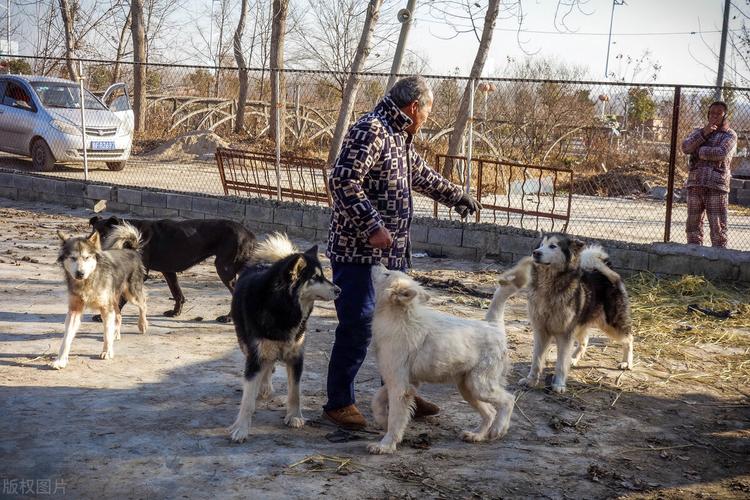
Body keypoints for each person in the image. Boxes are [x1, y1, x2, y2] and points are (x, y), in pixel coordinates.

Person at [323, 75, 482, 429]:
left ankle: (400, 395)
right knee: (358, 327)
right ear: (414, 108)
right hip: (357, 254)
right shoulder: (372, 129)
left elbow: (420, 175)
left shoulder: (398, 135)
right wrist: (372, 227)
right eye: (428, 112)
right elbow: (343, 180)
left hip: (389, 257)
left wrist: (456, 195)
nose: (428, 118)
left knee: (400, 329)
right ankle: (338, 402)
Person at [681, 100, 737, 248]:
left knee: (718, 228)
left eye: (719, 113)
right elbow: (685, 147)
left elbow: (721, 153)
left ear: (725, 116)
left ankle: (718, 262)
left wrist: (698, 151)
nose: (714, 116)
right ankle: (693, 260)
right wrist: (703, 134)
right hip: (695, 183)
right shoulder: (698, 131)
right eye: (712, 113)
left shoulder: (730, 135)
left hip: (716, 186)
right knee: (693, 227)